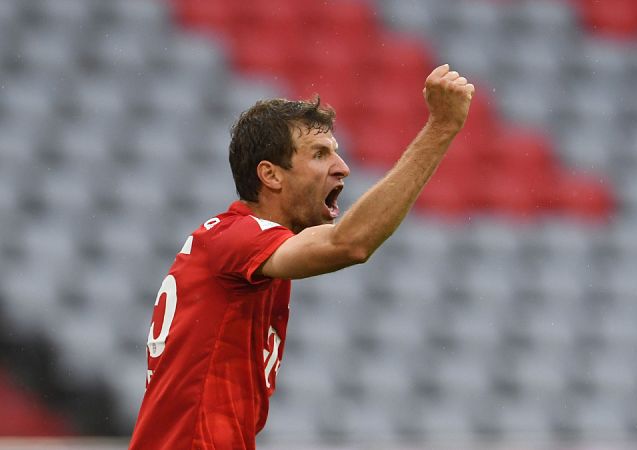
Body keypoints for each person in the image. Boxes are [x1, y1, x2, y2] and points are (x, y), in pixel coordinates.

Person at [129, 64, 474, 449]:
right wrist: (441, 129)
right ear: (271, 175)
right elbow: (349, 244)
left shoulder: (243, 250)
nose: (342, 168)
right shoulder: (236, 237)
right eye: (320, 154)